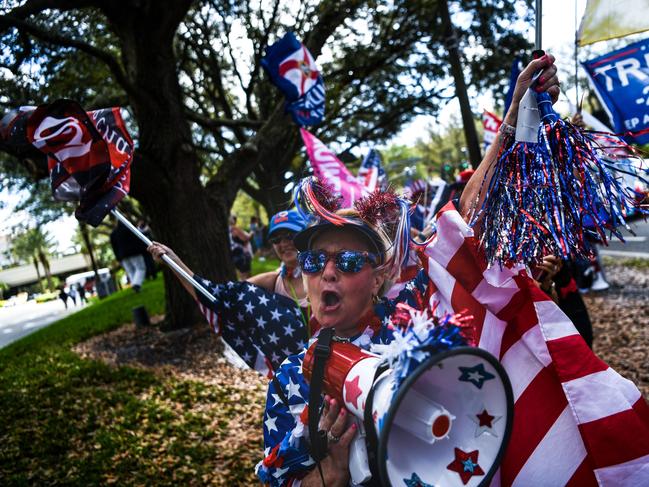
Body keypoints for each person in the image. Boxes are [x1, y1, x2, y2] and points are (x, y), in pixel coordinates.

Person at [257, 55, 649, 486]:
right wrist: (330, 475)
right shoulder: (291, 378)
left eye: (348, 261)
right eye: (315, 260)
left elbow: (464, 225)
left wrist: (516, 122)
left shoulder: (414, 317)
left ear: (377, 277)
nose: (326, 272)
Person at [147, 209, 311, 376]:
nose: (283, 244)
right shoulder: (272, 280)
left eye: (290, 235)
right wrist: (174, 261)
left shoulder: (328, 273)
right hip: (300, 382)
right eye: (277, 239)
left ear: (306, 235)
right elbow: (217, 297)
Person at [110, 219, 147, 292]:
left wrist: (118, 258)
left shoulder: (113, 234)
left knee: (130, 271)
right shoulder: (130, 229)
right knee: (140, 268)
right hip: (134, 252)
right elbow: (138, 239)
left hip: (123, 256)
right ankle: (136, 284)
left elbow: (114, 247)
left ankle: (135, 286)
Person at [229, 215, 253, 279]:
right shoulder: (234, 228)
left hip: (233, 254)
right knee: (246, 276)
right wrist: (251, 233)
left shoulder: (225, 229)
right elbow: (245, 238)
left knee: (241, 274)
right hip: (241, 254)